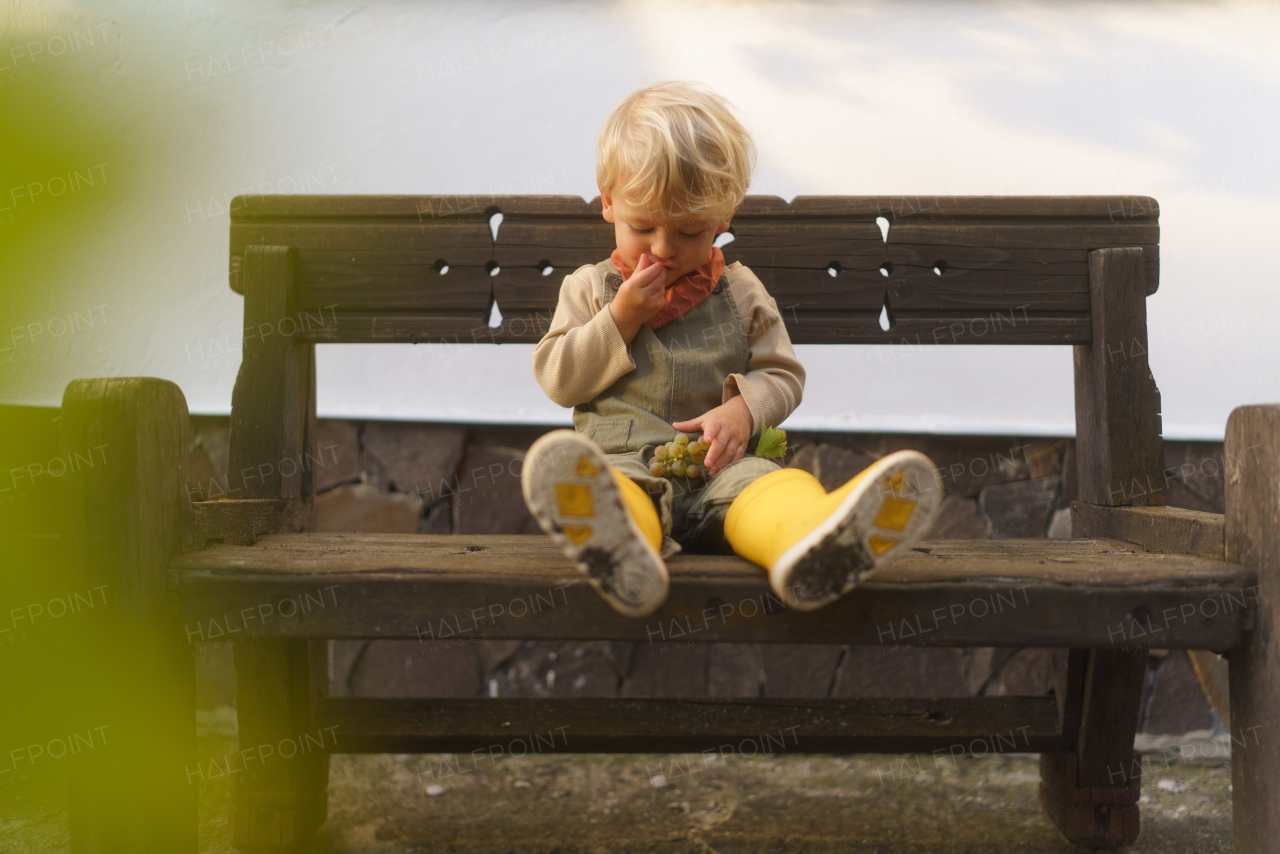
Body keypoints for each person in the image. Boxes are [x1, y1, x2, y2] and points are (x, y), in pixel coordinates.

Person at [522, 80, 941, 617]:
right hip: (624, 462)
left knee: (771, 489)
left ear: (724, 218)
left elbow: (783, 374)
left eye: (691, 231)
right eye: (643, 226)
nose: (664, 249)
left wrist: (745, 408)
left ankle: (811, 544)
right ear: (608, 201)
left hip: (722, 469)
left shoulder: (741, 291)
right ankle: (620, 551)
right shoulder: (590, 290)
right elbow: (560, 380)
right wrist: (620, 318)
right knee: (620, 494)